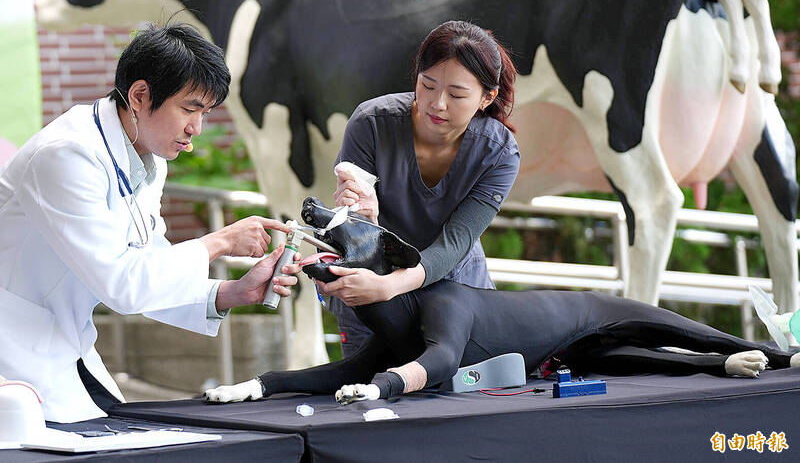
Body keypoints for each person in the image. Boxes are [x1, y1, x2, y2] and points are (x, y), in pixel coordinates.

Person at [205, 198, 800, 405]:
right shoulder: (391, 331)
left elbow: (441, 359)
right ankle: (717, 365)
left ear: (384, 264)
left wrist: (385, 387)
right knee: (622, 361)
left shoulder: (442, 298)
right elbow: (338, 371)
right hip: (556, 361)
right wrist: (259, 385)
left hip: (577, 314)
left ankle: (767, 354)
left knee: (653, 326)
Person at [0, 22, 300, 423]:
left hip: (63, 344)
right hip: (13, 351)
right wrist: (219, 243)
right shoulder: (65, 155)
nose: (196, 129)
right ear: (140, 95)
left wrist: (231, 292)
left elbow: (149, 268)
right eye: (190, 109)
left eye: (205, 113)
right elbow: (123, 285)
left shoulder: (147, 156)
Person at [318, 20, 520, 356]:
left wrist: (390, 286)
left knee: (463, 399)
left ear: (487, 97)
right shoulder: (371, 124)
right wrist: (365, 215)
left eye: (457, 94)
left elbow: (455, 243)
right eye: (427, 85)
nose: (437, 104)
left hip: (456, 293)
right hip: (372, 284)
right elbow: (353, 229)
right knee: (365, 395)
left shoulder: (498, 152)